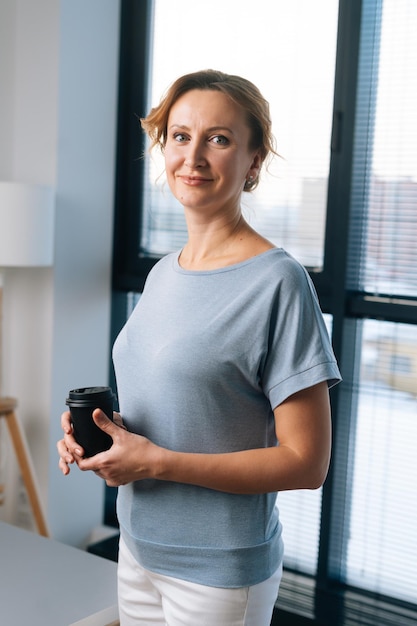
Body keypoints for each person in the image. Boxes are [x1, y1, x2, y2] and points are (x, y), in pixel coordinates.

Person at [57, 69, 341, 626]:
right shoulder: (164, 273)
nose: (194, 157)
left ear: (253, 161)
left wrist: (156, 463)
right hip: (137, 548)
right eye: (180, 136)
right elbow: (180, 407)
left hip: (218, 574)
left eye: (219, 138)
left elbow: (307, 463)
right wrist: (101, 436)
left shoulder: (278, 282)